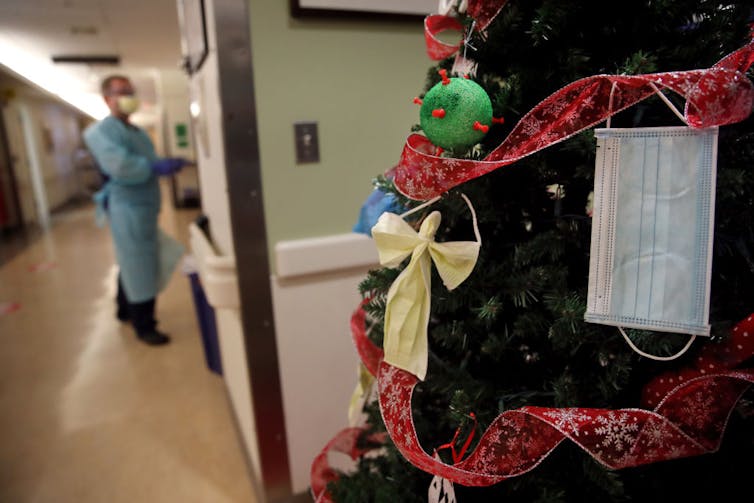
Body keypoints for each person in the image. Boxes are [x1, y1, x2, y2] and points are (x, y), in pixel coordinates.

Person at [83, 75, 188, 346]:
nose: (127, 96)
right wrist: (153, 168)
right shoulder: (99, 132)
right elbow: (120, 165)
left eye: (130, 91)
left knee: (130, 261)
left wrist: (164, 164)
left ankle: (124, 310)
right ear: (107, 99)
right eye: (120, 92)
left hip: (144, 206)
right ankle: (145, 325)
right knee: (139, 265)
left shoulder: (138, 132)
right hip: (127, 207)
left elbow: (147, 162)